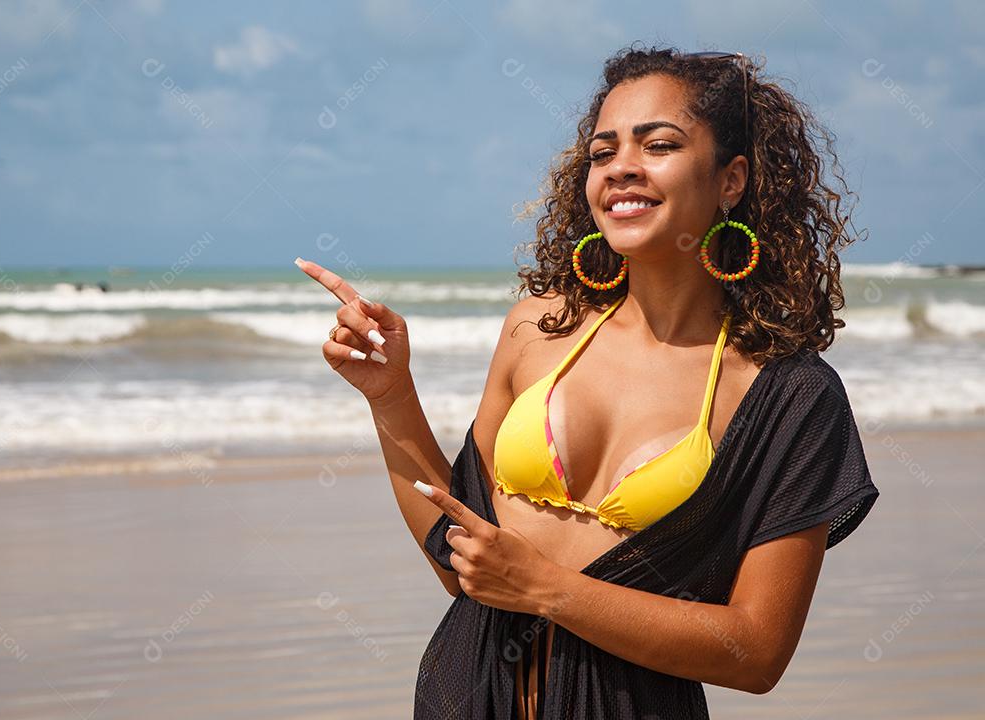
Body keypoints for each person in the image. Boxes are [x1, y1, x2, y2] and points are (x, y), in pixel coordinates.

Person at [295, 44, 878, 720]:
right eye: (603, 154)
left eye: (658, 144)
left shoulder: (789, 395)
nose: (622, 167)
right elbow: (459, 567)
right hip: (466, 695)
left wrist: (545, 588)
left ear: (731, 180)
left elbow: (756, 651)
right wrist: (391, 395)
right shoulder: (534, 331)